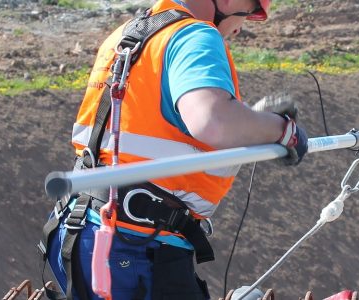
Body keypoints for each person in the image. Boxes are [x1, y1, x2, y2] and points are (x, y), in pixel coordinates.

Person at [38, 0, 308, 299]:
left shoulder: (131, 34)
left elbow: (157, 122)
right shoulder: (195, 35)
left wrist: (251, 121)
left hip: (81, 228)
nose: (241, 26)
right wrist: (284, 131)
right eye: (248, 11)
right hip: (133, 245)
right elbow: (213, 122)